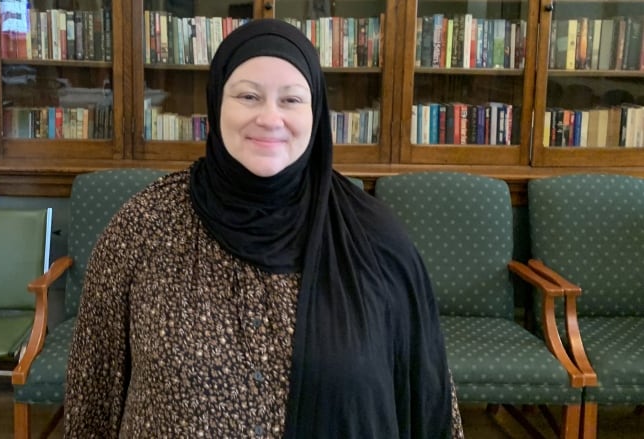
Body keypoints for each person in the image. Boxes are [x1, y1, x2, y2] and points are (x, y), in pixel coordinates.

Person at [64, 18, 463, 438]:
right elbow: (94, 393)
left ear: (316, 112)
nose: (270, 118)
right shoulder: (143, 226)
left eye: (291, 100)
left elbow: (427, 395)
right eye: (249, 95)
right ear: (217, 103)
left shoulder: (375, 238)